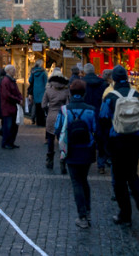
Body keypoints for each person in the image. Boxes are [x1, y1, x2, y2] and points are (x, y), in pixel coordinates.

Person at [98, 64, 139, 226]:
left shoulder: (110, 97)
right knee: (132, 174)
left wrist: (104, 144)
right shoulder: (138, 96)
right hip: (135, 140)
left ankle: (125, 214)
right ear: (127, 78)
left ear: (113, 79)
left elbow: (102, 120)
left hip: (117, 141)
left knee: (119, 178)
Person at [56, 78, 98, 229]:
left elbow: (57, 129)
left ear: (71, 92)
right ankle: (87, 211)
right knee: (84, 179)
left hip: (71, 150)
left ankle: (82, 216)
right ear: (84, 93)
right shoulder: (91, 110)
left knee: (76, 182)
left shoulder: (64, 110)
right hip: (86, 149)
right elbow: (95, 130)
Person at [42, 67, 70, 172]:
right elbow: (68, 104)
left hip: (51, 116)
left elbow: (43, 104)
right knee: (62, 139)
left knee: (50, 138)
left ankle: (50, 161)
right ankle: (63, 162)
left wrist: (48, 109)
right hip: (62, 116)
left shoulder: (48, 90)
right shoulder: (66, 90)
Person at [0, 64, 23, 150]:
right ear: (8, 71)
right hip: (8, 107)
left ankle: (11, 142)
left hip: (12, 107)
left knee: (13, 126)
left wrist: (20, 98)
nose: (15, 71)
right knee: (8, 126)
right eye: (13, 70)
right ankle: (6, 143)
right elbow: (7, 95)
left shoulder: (11, 80)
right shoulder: (6, 81)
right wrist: (18, 99)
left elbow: (17, 92)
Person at [28, 60, 47, 126]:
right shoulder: (43, 72)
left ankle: (38, 121)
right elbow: (46, 82)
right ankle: (42, 122)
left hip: (35, 90)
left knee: (37, 106)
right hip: (42, 90)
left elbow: (30, 80)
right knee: (42, 106)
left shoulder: (33, 71)